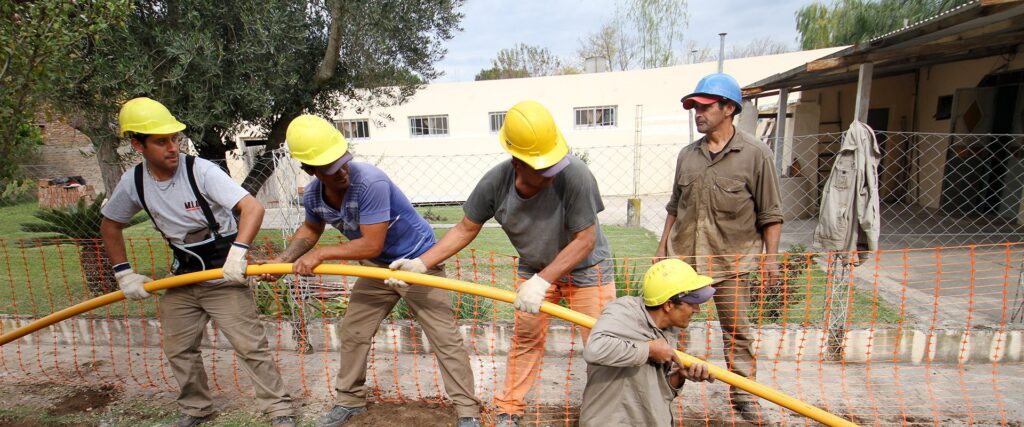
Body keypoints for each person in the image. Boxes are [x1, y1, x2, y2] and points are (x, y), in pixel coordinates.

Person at [387, 100, 616, 427]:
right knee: (525, 341)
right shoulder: (496, 183)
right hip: (535, 268)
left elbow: (585, 240)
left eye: (552, 164)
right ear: (517, 162)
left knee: (602, 345)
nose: (551, 173)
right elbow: (466, 227)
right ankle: (509, 409)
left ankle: (609, 413)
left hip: (587, 271)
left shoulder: (576, 174)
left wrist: (543, 282)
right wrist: (421, 264)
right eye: (542, 168)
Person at [261, 115, 482, 427]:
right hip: (377, 271)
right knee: (353, 330)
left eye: (342, 160)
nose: (341, 170)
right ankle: (349, 401)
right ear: (310, 170)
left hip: (418, 263)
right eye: (329, 167)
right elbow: (310, 231)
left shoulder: (370, 181)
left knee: (444, 337)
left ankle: (468, 412)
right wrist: (283, 262)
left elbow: (371, 244)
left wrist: (322, 254)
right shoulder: (313, 195)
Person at [99, 97, 295, 427]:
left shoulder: (200, 170)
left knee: (250, 346)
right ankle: (196, 409)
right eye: (161, 141)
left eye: (174, 139)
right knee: (179, 348)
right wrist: (124, 274)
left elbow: (252, 208)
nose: (172, 147)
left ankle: (278, 410)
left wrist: (238, 254)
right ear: (137, 144)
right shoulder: (133, 182)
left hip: (223, 273)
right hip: (183, 276)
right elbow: (109, 224)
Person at [654, 72, 783, 422]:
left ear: (728, 108)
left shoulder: (755, 155)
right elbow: (674, 207)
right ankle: (663, 389)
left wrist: (770, 260)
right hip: (683, 263)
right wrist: (662, 247)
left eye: (705, 106)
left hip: (732, 262)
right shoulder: (687, 156)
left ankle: (744, 396)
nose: (697, 113)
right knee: (667, 329)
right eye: (693, 107)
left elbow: (771, 213)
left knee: (738, 334)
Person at [579, 259, 717, 426]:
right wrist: (649, 350)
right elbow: (595, 349)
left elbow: (659, 390)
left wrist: (680, 375)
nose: (697, 310)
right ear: (668, 305)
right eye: (692, 304)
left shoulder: (671, 329)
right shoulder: (624, 311)